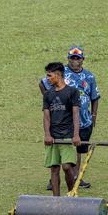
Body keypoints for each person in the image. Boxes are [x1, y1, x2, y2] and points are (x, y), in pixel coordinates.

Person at [40, 46, 100, 190]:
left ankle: (77, 177)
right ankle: (56, 181)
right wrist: (51, 98)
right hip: (64, 121)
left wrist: (94, 115)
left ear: (82, 60)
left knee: (79, 149)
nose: (75, 61)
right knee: (62, 150)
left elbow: (95, 97)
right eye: (72, 58)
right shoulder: (60, 73)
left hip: (84, 119)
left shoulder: (89, 76)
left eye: (77, 58)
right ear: (68, 59)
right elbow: (42, 83)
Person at [42, 62, 81, 196]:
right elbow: (46, 116)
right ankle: (56, 199)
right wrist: (47, 134)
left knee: (66, 166)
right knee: (54, 168)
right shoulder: (48, 94)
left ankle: (71, 194)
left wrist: (76, 135)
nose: (47, 78)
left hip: (67, 135)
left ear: (58, 75)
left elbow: (76, 114)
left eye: (49, 75)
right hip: (53, 136)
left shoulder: (72, 92)